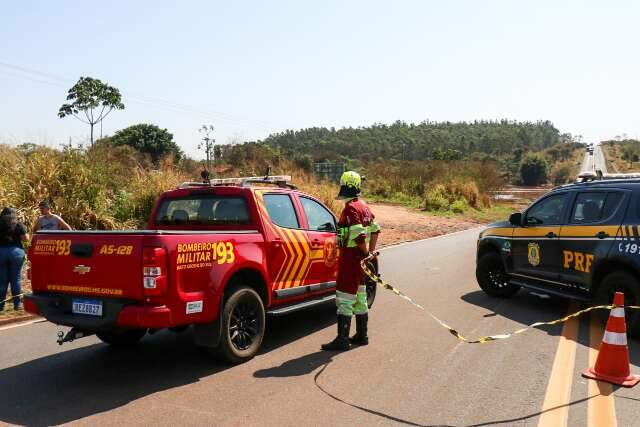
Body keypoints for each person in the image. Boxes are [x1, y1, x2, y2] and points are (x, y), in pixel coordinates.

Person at [322, 171, 381, 351]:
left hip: (351, 258)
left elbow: (358, 235)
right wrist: (370, 253)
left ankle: (342, 339)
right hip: (361, 262)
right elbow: (376, 230)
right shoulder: (364, 207)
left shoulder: (350, 209)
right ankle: (362, 335)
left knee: (345, 298)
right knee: (361, 296)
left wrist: (364, 252)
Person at [0, 208, 29, 311]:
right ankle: (17, 305)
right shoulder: (17, 223)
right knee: (16, 279)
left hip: (1, 252)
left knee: (2, 281)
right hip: (16, 252)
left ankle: (1, 306)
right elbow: (26, 238)